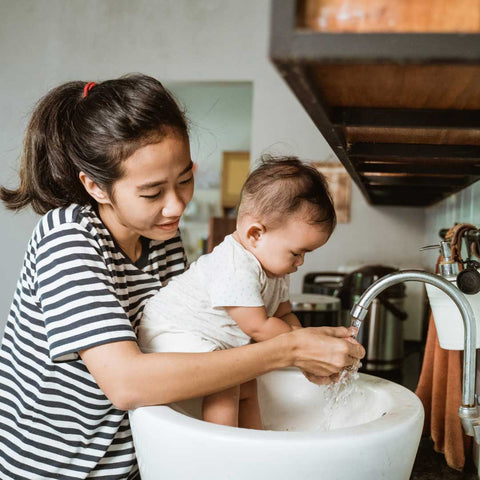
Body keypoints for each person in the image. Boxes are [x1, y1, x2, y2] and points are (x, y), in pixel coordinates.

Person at [0, 73, 364, 480]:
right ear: (97, 187)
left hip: (133, 461)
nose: (176, 206)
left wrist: (303, 353)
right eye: (153, 193)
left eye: (186, 180)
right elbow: (126, 384)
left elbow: (191, 347)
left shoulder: (161, 239)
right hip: (54, 469)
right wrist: (289, 349)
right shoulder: (68, 238)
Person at [138, 156, 336, 428]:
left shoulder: (275, 267)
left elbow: (285, 314)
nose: (300, 262)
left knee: (248, 382)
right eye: (296, 252)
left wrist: (305, 346)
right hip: (170, 330)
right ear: (256, 234)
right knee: (226, 383)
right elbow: (259, 327)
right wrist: (304, 345)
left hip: (211, 340)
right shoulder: (234, 265)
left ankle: (256, 441)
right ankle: (223, 451)